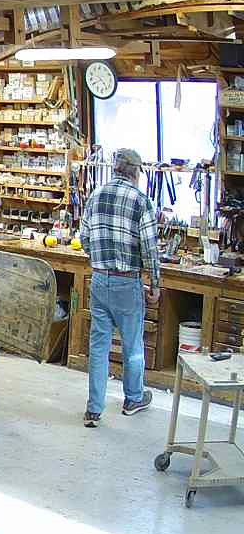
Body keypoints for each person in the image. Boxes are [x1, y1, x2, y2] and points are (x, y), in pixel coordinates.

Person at [78, 148, 158, 428]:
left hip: (100, 279)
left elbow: (84, 238)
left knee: (99, 346)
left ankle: (93, 410)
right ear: (136, 171)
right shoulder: (140, 200)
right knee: (132, 345)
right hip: (127, 281)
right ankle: (133, 398)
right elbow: (150, 248)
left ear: (115, 169)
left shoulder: (95, 195)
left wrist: (100, 261)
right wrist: (155, 283)